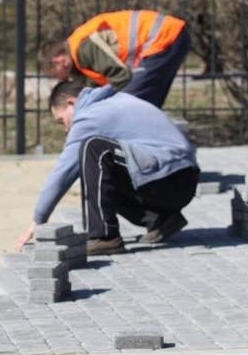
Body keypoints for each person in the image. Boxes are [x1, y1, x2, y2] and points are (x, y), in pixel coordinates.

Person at [16, 80, 199, 256]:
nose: (65, 129)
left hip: (171, 177)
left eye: (61, 120)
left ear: (71, 103)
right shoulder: (113, 101)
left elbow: (63, 173)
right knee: (101, 173)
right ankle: (162, 220)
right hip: (182, 177)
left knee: (93, 149)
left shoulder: (89, 116)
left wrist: (38, 220)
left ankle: (104, 236)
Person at [39, 9, 191, 108]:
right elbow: (97, 86)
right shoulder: (80, 57)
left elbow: (121, 77)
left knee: (131, 103)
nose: (61, 79)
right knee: (145, 104)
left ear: (58, 61)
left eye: (55, 74)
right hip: (168, 36)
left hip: (163, 36)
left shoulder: (83, 50)